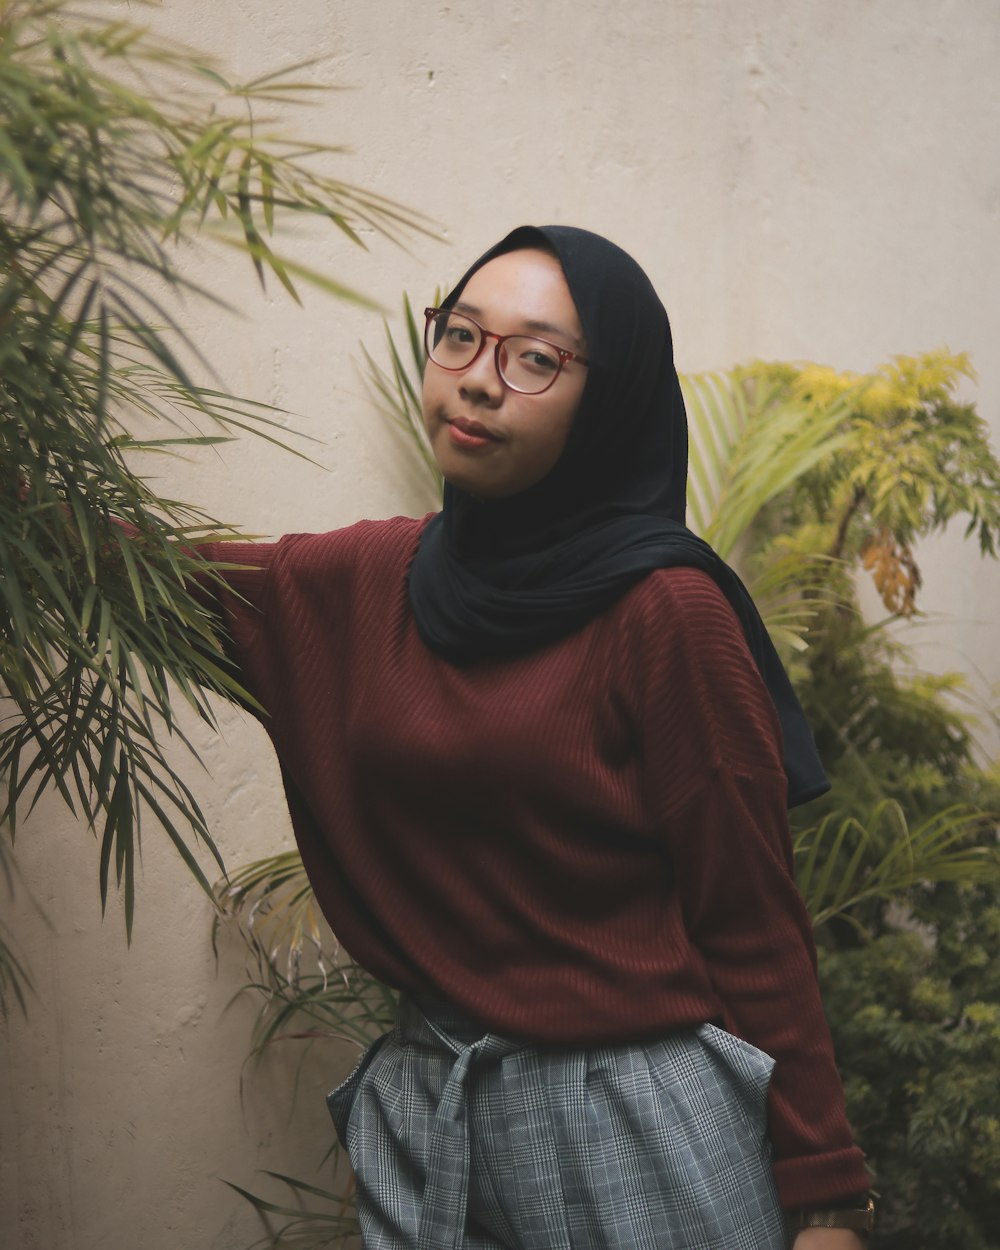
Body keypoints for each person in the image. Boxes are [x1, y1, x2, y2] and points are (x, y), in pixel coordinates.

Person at [194, 226, 874, 1249]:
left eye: (535, 357)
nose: (476, 381)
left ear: (609, 396)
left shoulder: (665, 611)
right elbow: (131, 579)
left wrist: (823, 1195)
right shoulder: (364, 580)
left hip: (632, 1118)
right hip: (428, 1111)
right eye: (458, 336)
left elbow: (750, 913)